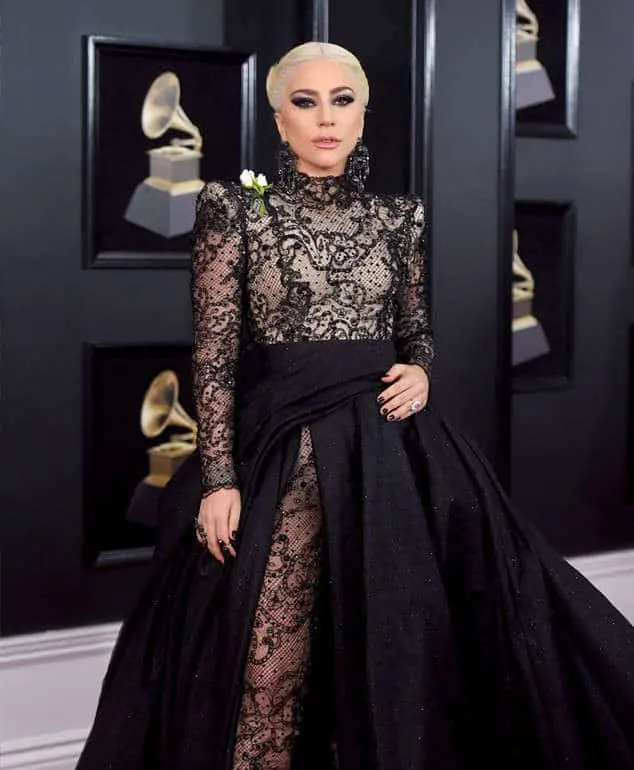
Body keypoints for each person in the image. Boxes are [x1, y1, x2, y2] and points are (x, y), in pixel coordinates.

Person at [77, 42, 634, 770]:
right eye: (305, 102)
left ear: (363, 115)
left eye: (342, 101)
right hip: (283, 440)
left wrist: (422, 371)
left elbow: (416, 331)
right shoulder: (233, 209)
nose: (326, 118)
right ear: (279, 120)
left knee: (408, 652)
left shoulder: (400, 217)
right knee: (265, 660)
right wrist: (218, 479)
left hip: (392, 449)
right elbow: (214, 354)